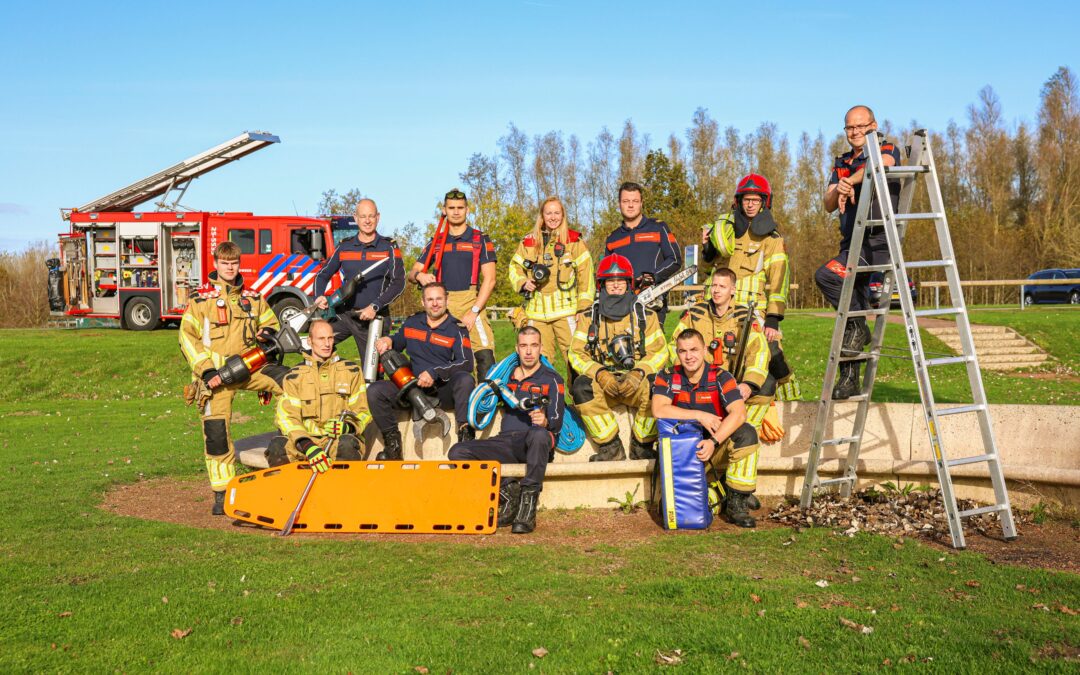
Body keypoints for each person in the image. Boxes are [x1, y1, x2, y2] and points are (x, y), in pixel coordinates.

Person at [179, 241, 286, 515]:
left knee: (292, 384)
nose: (230, 267)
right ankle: (222, 492)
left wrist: (266, 336)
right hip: (215, 378)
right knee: (216, 434)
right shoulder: (200, 300)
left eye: (234, 262)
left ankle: (288, 447)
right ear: (215, 264)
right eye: (225, 262)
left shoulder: (253, 297)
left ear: (239, 264)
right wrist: (206, 370)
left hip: (250, 369)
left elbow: (272, 325)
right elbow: (187, 338)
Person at [669, 267, 775, 507]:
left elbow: (759, 353)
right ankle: (729, 488)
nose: (716, 291)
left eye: (722, 286)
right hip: (701, 387)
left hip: (733, 386)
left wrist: (748, 384)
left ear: (732, 290)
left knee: (762, 394)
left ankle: (739, 493)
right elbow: (675, 345)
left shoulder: (744, 317)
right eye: (713, 286)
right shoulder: (694, 313)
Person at [815, 105, 901, 399]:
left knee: (827, 276)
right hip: (852, 244)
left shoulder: (886, 147)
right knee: (848, 317)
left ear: (873, 125)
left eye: (860, 127)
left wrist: (852, 181)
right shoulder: (841, 162)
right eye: (849, 128)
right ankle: (849, 377)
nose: (854, 133)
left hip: (875, 244)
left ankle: (858, 328)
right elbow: (827, 203)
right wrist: (839, 187)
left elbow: (883, 163)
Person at [448, 326, 564, 534]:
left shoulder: (552, 379)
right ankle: (508, 490)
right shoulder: (505, 377)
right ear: (517, 349)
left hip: (534, 441)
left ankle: (527, 508)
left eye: (534, 346)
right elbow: (482, 400)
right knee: (458, 452)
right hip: (506, 441)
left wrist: (545, 421)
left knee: (539, 434)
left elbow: (557, 421)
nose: (529, 351)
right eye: (524, 346)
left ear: (541, 349)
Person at [700, 174, 797, 400]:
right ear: (738, 201)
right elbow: (706, 270)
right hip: (721, 305)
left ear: (764, 202)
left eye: (755, 199)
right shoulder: (724, 231)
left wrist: (773, 319)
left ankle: (787, 387)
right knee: (720, 354)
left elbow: (779, 279)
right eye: (746, 199)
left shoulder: (772, 239)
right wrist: (708, 250)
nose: (751, 204)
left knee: (770, 352)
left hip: (755, 308)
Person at [652, 329, 761, 528]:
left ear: (704, 351)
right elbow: (658, 409)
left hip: (715, 448)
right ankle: (724, 494)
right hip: (684, 455)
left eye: (694, 349)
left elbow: (739, 413)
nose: (689, 356)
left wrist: (713, 441)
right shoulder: (668, 376)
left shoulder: (721, 377)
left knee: (747, 433)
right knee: (667, 510)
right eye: (683, 351)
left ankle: (738, 502)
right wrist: (699, 415)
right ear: (677, 353)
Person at [568, 253, 669, 461]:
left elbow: (660, 352)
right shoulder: (590, 317)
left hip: (636, 383)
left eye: (620, 280)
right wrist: (599, 373)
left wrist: (640, 372)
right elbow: (575, 353)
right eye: (610, 281)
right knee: (581, 387)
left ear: (628, 283)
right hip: (605, 387)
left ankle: (642, 445)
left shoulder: (645, 315)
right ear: (601, 285)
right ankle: (610, 447)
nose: (615, 286)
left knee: (658, 385)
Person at [366, 282, 476, 460]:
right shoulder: (412, 322)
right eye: (430, 299)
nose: (435, 303)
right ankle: (393, 445)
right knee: (375, 391)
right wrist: (388, 340)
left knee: (465, 379)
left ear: (446, 300)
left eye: (439, 299)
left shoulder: (458, 329)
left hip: (442, 391)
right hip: (409, 388)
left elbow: (466, 363)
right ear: (423, 302)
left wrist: (435, 373)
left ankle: (465, 439)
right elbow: (399, 340)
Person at [409, 189, 497, 379]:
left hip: (472, 303)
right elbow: (413, 272)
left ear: (467, 209)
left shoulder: (480, 239)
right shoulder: (436, 242)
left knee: (485, 357)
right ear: (444, 210)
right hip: (443, 305)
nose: (456, 212)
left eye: (460, 208)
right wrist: (420, 277)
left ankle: (484, 406)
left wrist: (473, 312)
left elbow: (490, 280)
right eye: (451, 208)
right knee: (448, 359)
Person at [266, 320, 372, 470]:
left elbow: (364, 411)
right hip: (305, 442)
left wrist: (348, 427)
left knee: (348, 445)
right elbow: (287, 417)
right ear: (310, 341)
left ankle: (343, 491)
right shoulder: (294, 376)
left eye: (330, 338)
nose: (327, 344)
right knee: (277, 448)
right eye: (321, 339)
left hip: (337, 441)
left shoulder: (352, 371)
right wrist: (307, 446)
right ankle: (290, 492)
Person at [313, 198, 405, 367]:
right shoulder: (344, 247)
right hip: (345, 316)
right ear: (355, 218)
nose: (367, 221)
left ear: (378, 217)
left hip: (374, 318)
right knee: (316, 345)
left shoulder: (389, 247)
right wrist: (318, 297)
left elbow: (399, 282)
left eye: (371, 216)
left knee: (373, 374)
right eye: (363, 216)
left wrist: (375, 306)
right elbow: (322, 275)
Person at [507, 197, 594, 362]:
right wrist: (523, 282)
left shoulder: (574, 241)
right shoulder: (528, 242)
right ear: (542, 215)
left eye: (557, 213)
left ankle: (578, 389)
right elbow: (514, 266)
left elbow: (586, 276)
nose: (553, 217)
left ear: (563, 215)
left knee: (577, 360)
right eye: (549, 213)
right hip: (536, 314)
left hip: (567, 312)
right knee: (538, 364)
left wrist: (583, 309)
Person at [603, 181, 682, 324]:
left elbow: (675, 259)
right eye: (626, 201)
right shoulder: (612, 238)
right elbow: (605, 275)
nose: (631, 205)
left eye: (635, 201)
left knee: (652, 345)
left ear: (641, 203)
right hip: (621, 304)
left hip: (652, 301)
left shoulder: (658, 227)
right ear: (619, 204)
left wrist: (654, 277)